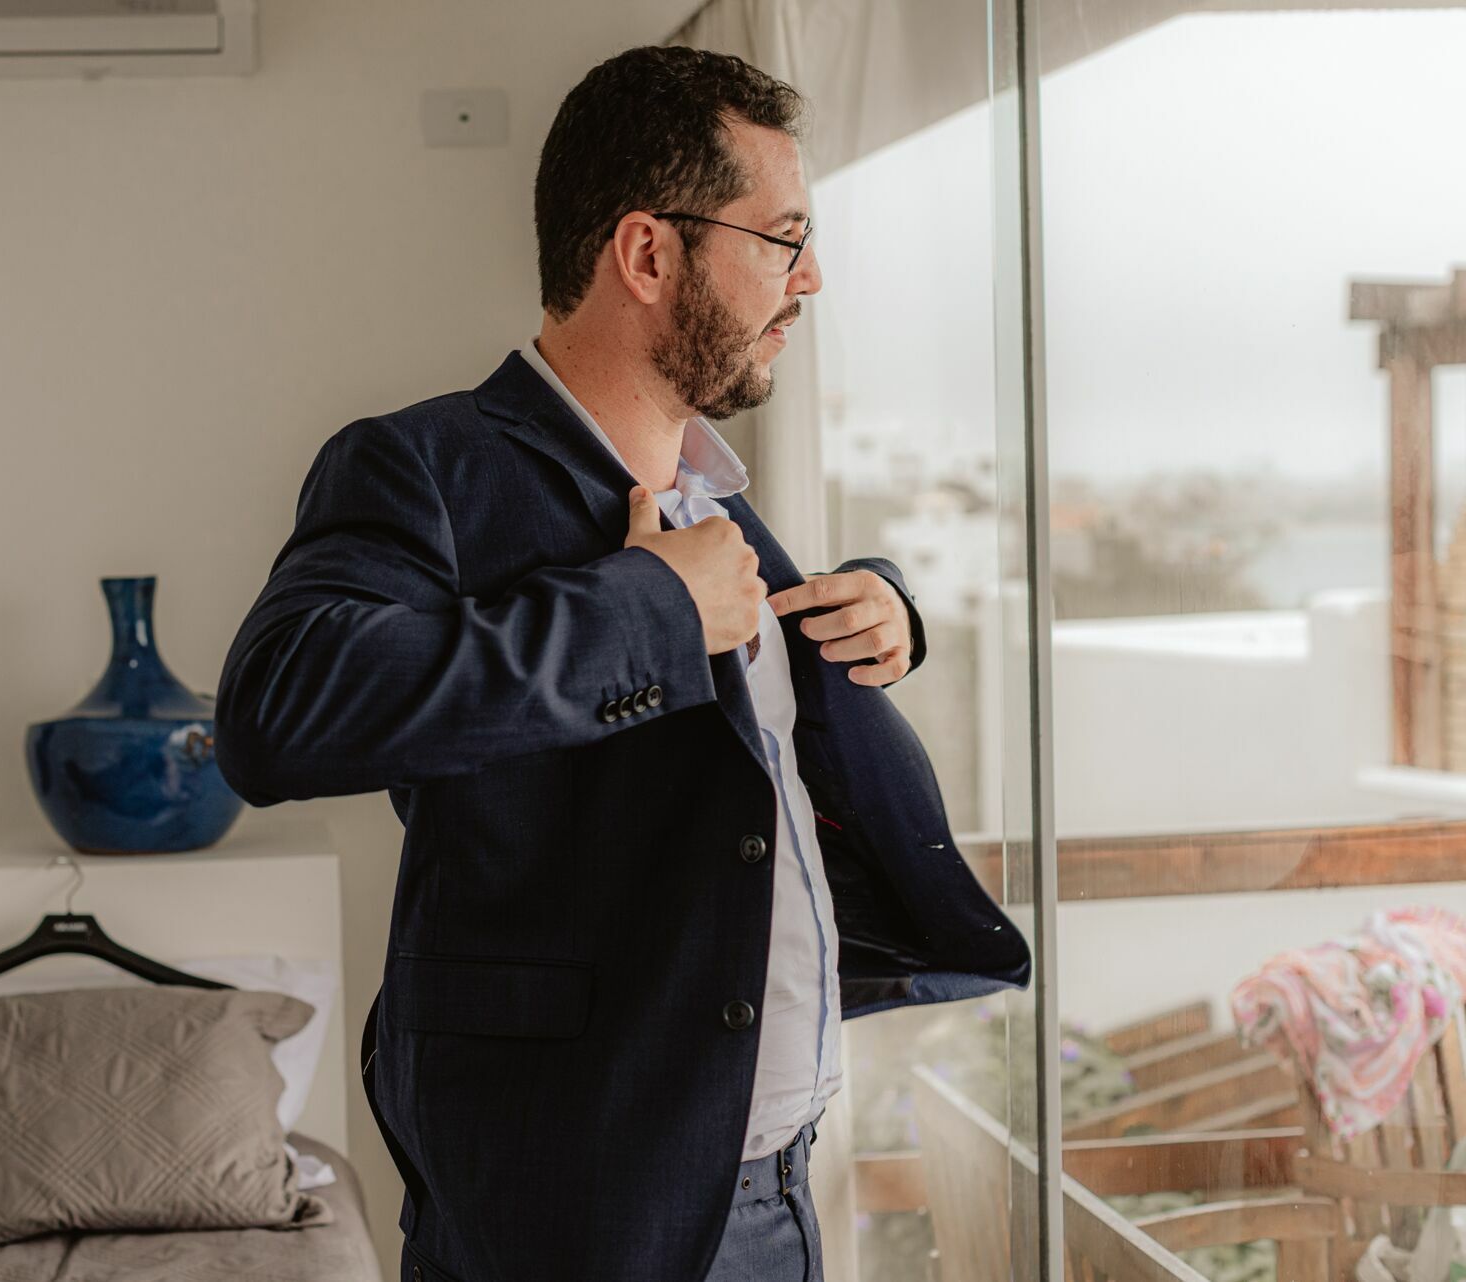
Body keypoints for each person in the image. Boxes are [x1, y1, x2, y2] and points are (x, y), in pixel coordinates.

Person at [215, 44, 1031, 1282]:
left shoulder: (715, 496)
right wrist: (649, 606)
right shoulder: (424, 466)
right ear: (649, 254)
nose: (810, 279)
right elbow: (281, 713)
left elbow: (737, 760)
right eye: (782, 238)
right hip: (581, 1211)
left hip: (776, 1183)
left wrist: (880, 613)